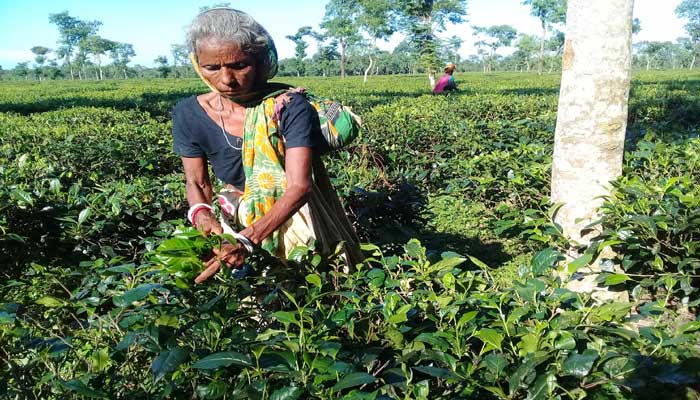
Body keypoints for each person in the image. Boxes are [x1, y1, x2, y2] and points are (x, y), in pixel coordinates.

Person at [172, 8, 361, 283]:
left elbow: (299, 187)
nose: (226, 79)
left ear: (260, 61)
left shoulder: (287, 106)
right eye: (212, 68)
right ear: (197, 64)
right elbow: (197, 182)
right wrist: (203, 218)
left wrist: (248, 240)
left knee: (314, 287)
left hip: (295, 214)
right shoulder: (188, 113)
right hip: (237, 213)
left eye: (239, 65)